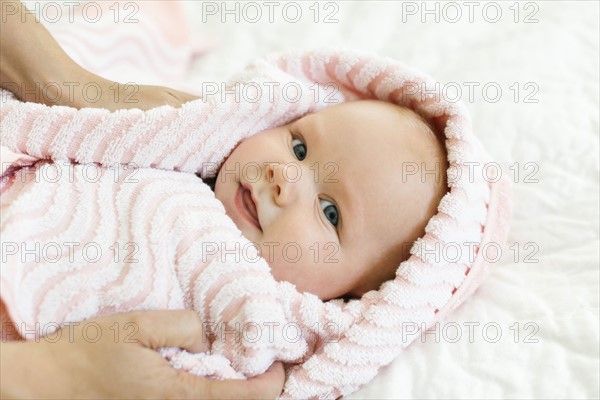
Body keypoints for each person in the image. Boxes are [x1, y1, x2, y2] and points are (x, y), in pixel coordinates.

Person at [0, 1, 284, 398]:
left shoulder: (250, 311)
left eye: (330, 211)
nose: (284, 179)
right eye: (300, 147)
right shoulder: (170, 127)